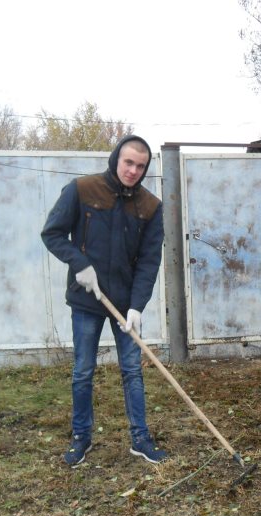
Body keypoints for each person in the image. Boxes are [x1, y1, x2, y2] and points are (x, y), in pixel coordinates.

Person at [41, 135, 167, 467]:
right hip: (87, 299)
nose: (133, 171)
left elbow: (149, 261)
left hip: (125, 303)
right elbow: (52, 233)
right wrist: (79, 264)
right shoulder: (82, 189)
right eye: (128, 162)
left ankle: (140, 439)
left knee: (132, 371)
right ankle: (81, 437)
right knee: (83, 371)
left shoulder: (150, 207)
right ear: (116, 159)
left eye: (141, 166)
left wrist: (137, 305)